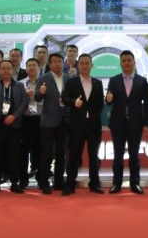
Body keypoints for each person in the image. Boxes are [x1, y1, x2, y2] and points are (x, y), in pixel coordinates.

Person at [105, 50, 148, 194]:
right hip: (118, 123)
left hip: (136, 123)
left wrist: (146, 123)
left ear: (134, 63)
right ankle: (116, 183)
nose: (126, 63)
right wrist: (108, 99)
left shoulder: (142, 81)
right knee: (118, 155)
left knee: (134, 155)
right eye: (124, 61)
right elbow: (108, 100)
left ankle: (135, 183)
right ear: (120, 63)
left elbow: (147, 103)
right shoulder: (114, 80)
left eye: (129, 60)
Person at [62, 54, 105, 196]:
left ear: (92, 65)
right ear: (78, 65)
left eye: (87, 63)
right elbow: (64, 98)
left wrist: (92, 115)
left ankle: (95, 183)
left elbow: (100, 104)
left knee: (94, 156)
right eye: (82, 63)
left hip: (93, 126)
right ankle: (70, 184)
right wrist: (74, 102)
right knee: (74, 155)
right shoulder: (71, 82)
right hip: (76, 125)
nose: (85, 66)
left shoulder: (98, 83)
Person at [0, 60, 27, 194]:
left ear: (12, 70)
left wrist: (14, 116)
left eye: (9, 68)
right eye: (3, 68)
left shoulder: (19, 85)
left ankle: (14, 183)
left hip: (14, 125)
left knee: (14, 155)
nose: (6, 71)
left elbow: (25, 102)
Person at [35, 53, 69, 194]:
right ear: (50, 64)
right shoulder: (44, 78)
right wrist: (41, 92)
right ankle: (43, 182)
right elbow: (37, 97)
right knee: (47, 154)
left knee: (61, 153)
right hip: (48, 121)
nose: (57, 64)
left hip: (64, 121)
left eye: (59, 61)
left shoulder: (68, 78)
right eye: (54, 61)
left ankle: (59, 181)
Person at [19, 58, 42, 188]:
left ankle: (40, 177)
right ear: (26, 68)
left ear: (38, 67)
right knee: (24, 150)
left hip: (41, 119)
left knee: (40, 149)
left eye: (34, 65)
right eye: (29, 66)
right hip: (25, 120)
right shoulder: (20, 84)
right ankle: (23, 178)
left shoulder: (44, 82)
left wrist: (36, 95)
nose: (32, 67)